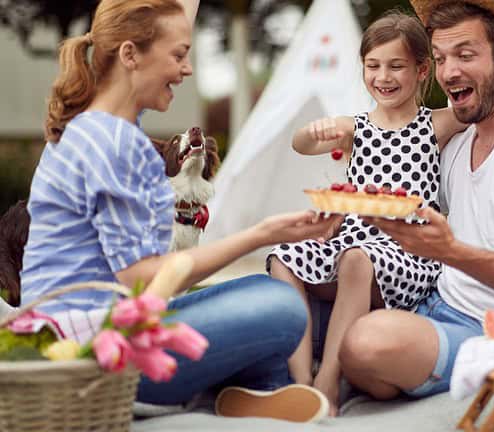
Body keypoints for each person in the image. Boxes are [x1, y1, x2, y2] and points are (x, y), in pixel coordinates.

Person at [267, 8, 494, 414]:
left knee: (366, 342)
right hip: (426, 301)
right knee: (262, 317)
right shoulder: (460, 140)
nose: (448, 72)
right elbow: (392, 184)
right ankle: (290, 389)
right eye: (442, 57)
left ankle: (327, 390)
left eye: (465, 54)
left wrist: (450, 252)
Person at [20, 0, 340, 422]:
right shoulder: (116, 142)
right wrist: (261, 234)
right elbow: (144, 279)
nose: (187, 69)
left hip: (82, 326)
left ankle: (251, 393)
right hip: (90, 352)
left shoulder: (93, 125)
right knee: (282, 306)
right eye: (179, 55)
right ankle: (237, 388)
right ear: (130, 54)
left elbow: (168, 21)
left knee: (274, 298)